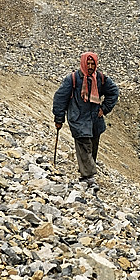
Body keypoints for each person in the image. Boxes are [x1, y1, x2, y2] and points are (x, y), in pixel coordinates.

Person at [52, 52, 120, 185]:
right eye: (87, 63)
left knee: (92, 147)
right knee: (85, 146)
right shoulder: (72, 79)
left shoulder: (100, 78)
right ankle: (88, 176)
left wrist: (104, 108)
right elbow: (60, 99)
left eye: (92, 63)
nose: (90, 66)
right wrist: (59, 118)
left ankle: (86, 173)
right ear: (83, 63)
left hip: (95, 120)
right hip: (78, 119)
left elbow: (114, 91)